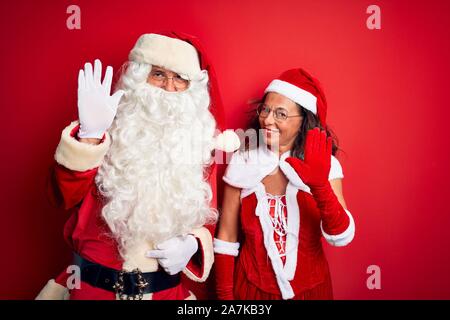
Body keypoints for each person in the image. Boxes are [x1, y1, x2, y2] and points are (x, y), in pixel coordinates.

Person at [36, 32, 232, 300]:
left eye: (180, 78)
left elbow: (206, 220)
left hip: (164, 293)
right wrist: (89, 135)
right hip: (92, 290)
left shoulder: (199, 147)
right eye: (159, 74)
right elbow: (61, 196)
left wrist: (192, 244)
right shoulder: (107, 130)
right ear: (139, 78)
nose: (169, 87)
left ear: (192, 89)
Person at [213, 68, 356, 300]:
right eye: (266, 110)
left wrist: (320, 186)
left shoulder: (324, 163)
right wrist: (224, 296)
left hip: (312, 291)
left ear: (304, 121)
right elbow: (227, 236)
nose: (267, 120)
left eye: (281, 114)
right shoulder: (244, 160)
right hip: (250, 291)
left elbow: (340, 236)